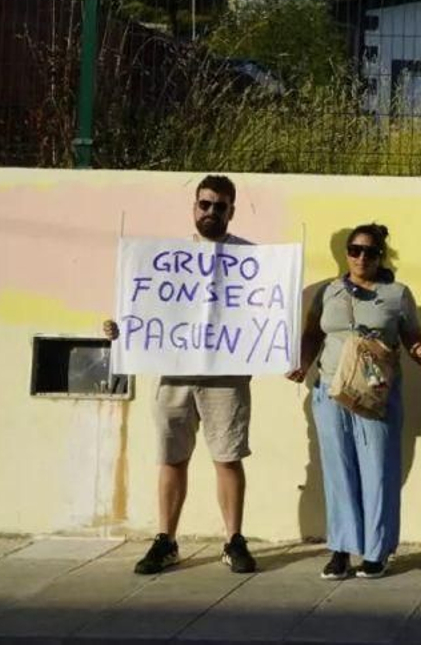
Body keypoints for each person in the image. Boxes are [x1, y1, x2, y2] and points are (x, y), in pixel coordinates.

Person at [104, 175, 259, 576]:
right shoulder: (166, 257)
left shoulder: (251, 259)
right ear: (194, 207)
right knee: (171, 458)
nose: (211, 212)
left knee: (228, 457)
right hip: (174, 376)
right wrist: (121, 329)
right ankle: (166, 540)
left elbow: (262, 314)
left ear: (231, 211)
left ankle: (233, 540)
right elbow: (143, 308)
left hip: (226, 377)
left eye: (220, 206)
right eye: (204, 204)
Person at [289, 223, 421, 580]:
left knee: (380, 471)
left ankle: (376, 552)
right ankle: (341, 549)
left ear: (380, 255)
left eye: (370, 251)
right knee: (338, 471)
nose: (361, 257)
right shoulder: (328, 292)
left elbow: (412, 337)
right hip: (331, 392)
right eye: (355, 250)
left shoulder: (397, 294)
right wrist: (302, 364)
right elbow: (312, 334)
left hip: (376, 396)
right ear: (347, 253)